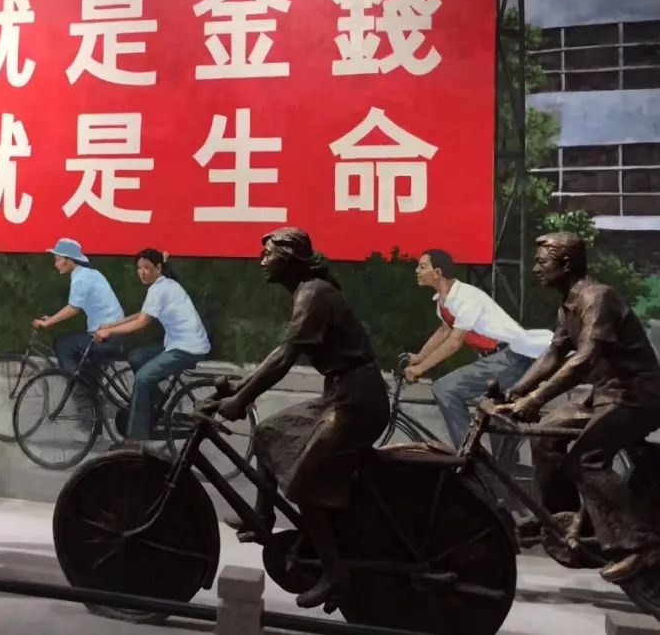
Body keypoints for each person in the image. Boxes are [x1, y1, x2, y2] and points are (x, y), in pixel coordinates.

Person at [208, 228, 389, 610]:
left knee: (306, 481)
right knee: (268, 431)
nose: (262, 261)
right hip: (341, 393)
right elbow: (282, 353)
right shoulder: (307, 291)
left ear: (288, 257)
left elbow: (284, 357)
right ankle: (261, 517)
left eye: (268, 254)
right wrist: (241, 388)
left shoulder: (314, 293)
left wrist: (242, 398)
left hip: (357, 400)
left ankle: (335, 573)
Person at [498, 232, 660, 583]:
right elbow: (554, 353)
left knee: (587, 458)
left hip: (636, 396)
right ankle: (564, 519)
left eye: (542, 262)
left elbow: (583, 359)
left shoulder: (597, 298)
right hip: (605, 394)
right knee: (544, 435)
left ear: (566, 263)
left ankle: (639, 543)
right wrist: (515, 391)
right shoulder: (569, 302)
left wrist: (535, 399)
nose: (536, 268)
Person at [405, 248, 551, 448]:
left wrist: (420, 369)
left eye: (422, 266)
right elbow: (444, 331)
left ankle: (469, 453)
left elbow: (454, 342)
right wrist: (419, 357)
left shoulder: (466, 297)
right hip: (498, 358)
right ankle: (502, 463)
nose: (417, 271)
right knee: (497, 416)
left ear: (438, 272)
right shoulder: (443, 301)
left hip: (512, 355)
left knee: (445, 389)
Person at [94, 249, 210, 446]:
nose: (142, 272)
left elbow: (141, 323)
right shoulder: (164, 284)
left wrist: (109, 332)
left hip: (187, 348)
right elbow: (143, 314)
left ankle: (135, 439)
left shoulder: (159, 289)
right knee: (136, 356)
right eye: (139, 268)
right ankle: (154, 399)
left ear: (158, 268)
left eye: (147, 268)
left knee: (142, 379)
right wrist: (112, 325)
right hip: (178, 343)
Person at [32, 237, 125, 377]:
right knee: (83, 358)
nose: (56, 264)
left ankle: (77, 384)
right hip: (112, 333)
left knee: (63, 344)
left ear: (69, 260)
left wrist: (47, 322)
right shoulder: (88, 273)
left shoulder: (81, 278)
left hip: (107, 336)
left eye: (58, 260)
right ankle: (88, 386)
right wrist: (52, 318)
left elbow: (73, 308)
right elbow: (74, 306)